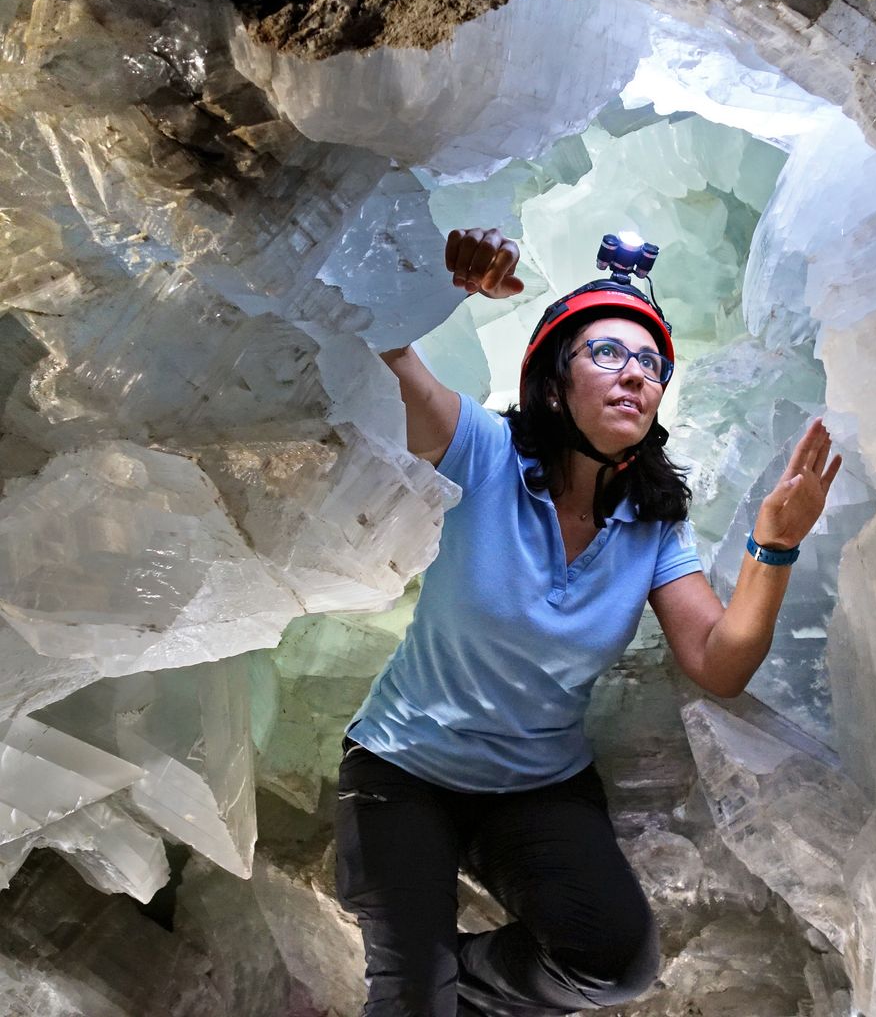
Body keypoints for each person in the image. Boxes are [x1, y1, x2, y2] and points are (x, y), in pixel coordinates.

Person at [335, 226, 842, 1016]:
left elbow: (719, 659)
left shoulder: (651, 526)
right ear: (551, 382)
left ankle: (449, 972)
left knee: (614, 966)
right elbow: (367, 350)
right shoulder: (483, 452)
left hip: (537, 785)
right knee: (408, 1005)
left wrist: (772, 549)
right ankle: (418, 974)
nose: (635, 375)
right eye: (608, 354)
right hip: (407, 770)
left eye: (650, 365)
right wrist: (445, 286)